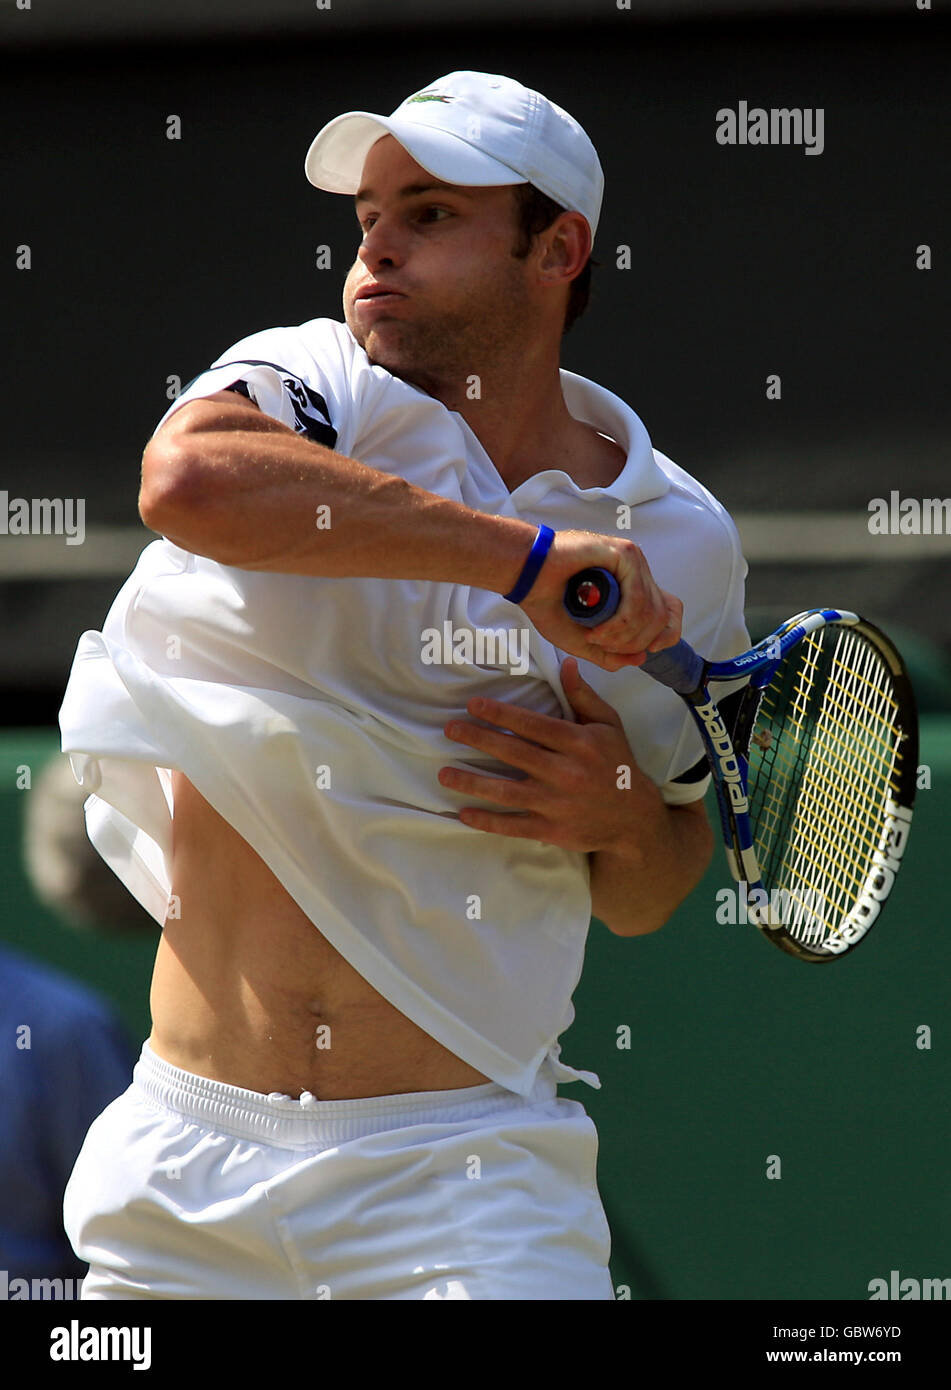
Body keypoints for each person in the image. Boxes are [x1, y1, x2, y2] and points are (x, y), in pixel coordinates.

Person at [58, 70, 749, 1300]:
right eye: (368, 217)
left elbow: (652, 886)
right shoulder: (308, 378)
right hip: (178, 1178)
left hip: (469, 1184)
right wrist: (524, 560)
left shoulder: (679, 537)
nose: (376, 247)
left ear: (559, 248)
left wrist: (626, 814)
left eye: (429, 215)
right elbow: (189, 485)